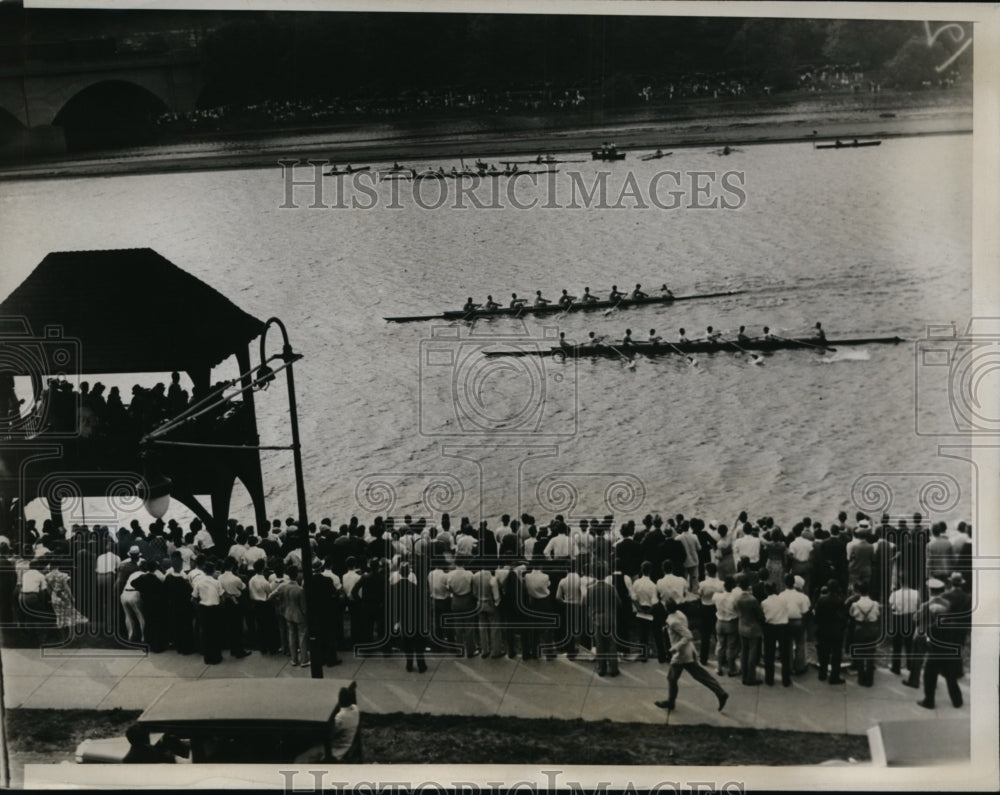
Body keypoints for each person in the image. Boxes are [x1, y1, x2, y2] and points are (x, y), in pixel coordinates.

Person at [655, 599, 728, 712]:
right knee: (697, 675)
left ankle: (671, 702)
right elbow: (682, 628)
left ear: (666, 608)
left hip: (681, 654)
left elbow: (688, 635)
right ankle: (720, 693)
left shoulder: (673, 621)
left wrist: (675, 647)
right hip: (687, 650)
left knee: (673, 678)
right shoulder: (680, 614)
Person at [390, 563, 427, 672]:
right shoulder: (415, 587)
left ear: (400, 573)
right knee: (418, 642)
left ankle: (409, 664)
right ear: (409, 573)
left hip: (404, 618)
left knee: (407, 642)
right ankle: (421, 665)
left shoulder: (394, 587)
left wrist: (396, 620)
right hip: (416, 617)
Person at [584, 565, 620, 676]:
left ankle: (602, 669)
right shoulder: (611, 588)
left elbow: (584, 603)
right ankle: (613, 669)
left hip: (597, 620)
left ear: (594, 574)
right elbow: (618, 602)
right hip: (610, 619)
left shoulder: (590, 589)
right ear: (605, 575)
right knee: (612, 644)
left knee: (600, 645)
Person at [191, 560, 225, 665]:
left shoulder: (198, 582)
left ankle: (207, 657)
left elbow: (193, 598)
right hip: (215, 608)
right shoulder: (216, 582)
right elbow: (222, 596)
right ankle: (216, 656)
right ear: (213, 570)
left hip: (203, 608)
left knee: (206, 633)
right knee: (215, 633)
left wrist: (198, 608)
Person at [848, 582, 880, 686]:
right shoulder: (875, 604)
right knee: (870, 654)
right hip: (872, 628)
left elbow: (851, 614)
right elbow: (878, 615)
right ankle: (870, 680)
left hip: (859, 629)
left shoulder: (855, 604)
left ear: (859, 591)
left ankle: (861, 679)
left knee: (860, 654)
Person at [814, 580, 847, 683]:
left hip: (823, 629)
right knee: (836, 655)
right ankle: (834, 677)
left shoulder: (821, 600)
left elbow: (817, 616)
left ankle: (822, 674)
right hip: (836, 630)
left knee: (823, 653)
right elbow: (844, 617)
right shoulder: (840, 600)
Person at [735, 575, 764, 685]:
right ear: (748, 586)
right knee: (752, 653)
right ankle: (750, 677)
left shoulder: (737, 598)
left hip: (742, 626)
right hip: (752, 628)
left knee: (744, 652)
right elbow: (760, 615)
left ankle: (744, 674)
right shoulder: (752, 600)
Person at [713, 576, 741, 677]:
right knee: (731, 647)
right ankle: (731, 668)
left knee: (720, 645)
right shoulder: (735, 598)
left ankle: (719, 667)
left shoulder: (717, 596)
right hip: (731, 622)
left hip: (720, 621)